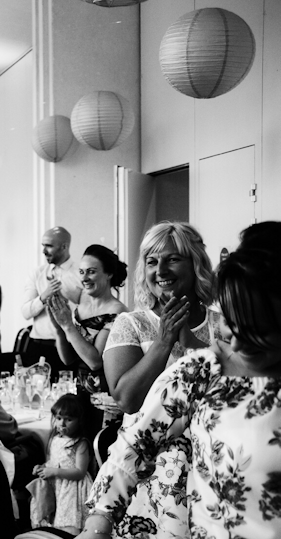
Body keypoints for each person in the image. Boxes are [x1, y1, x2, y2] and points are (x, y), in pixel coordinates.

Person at [80, 221, 281, 539]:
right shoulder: (194, 364)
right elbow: (131, 421)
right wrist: (96, 528)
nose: (238, 342)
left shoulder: (216, 326)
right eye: (232, 321)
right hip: (163, 495)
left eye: (256, 329)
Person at [99, 221, 219, 539]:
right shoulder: (131, 324)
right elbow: (126, 399)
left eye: (172, 259)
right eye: (151, 261)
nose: (160, 270)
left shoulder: (221, 324)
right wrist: (164, 341)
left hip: (213, 468)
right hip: (144, 472)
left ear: (195, 264)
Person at [47, 244, 129, 432]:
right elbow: (69, 359)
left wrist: (68, 325)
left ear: (108, 274)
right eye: (82, 272)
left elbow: (94, 361)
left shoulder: (118, 311)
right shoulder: (81, 304)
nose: (84, 278)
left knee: (97, 449)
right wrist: (59, 329)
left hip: (105, 396)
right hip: (80, 393)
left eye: (91, 272)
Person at [21, 227, 82, 373]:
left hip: (69, 348)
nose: (43, 251)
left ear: (64, 246)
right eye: (43, 245)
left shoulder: (80, 274)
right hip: (38, 347)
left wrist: (66, 296)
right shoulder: (37, 274)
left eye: (48, 246)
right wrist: (44, 296)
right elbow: (25, 313)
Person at [32, 394, 92, 534]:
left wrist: (54, 472)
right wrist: (43, 467)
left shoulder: (80, 443)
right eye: (59, 418)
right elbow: (54, 461)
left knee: (67, 525)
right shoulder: (55, 438)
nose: (62, 424)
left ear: (79, 420)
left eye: (69, 419)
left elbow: (80, 472)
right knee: (52, 521)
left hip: (71, 489)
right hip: (56, 486)